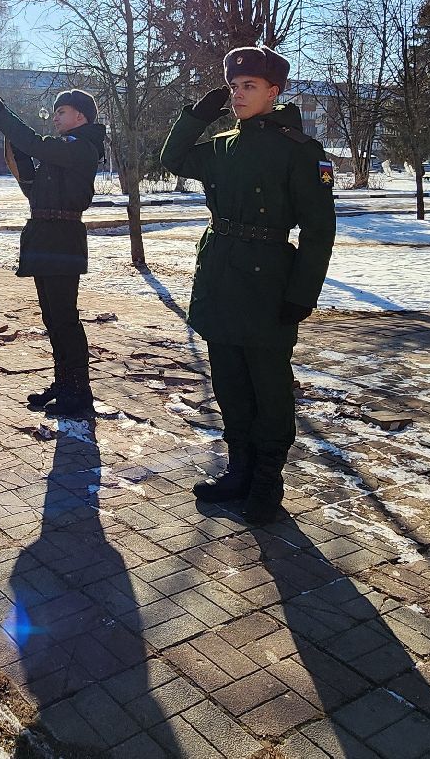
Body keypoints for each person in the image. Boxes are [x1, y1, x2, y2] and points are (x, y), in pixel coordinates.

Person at [160, 47, 335, 524]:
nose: (238, 94)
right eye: (234, 87)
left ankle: (266, 482)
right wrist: (196, 115)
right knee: (229, 383)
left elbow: (319, 230)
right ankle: (238, 471)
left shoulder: (301, 152)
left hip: (268, 282)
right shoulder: (221, 146)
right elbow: (171, 157)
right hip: (220, 275)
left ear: (273, 92)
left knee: (269, 387)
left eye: (249, 86)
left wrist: (302, 294)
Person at [0, 85, 107, 419]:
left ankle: (80, 391)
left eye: (61, 112)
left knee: (65, 317)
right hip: (45, 235)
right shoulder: (64, 149)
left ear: (80, 115)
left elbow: (37, 144)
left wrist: (3, 115)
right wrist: (13, 142)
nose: (55, 118)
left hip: (63, 237)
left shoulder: (82, 146)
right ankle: (64, 383)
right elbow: (32, 185)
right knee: (52, 317)